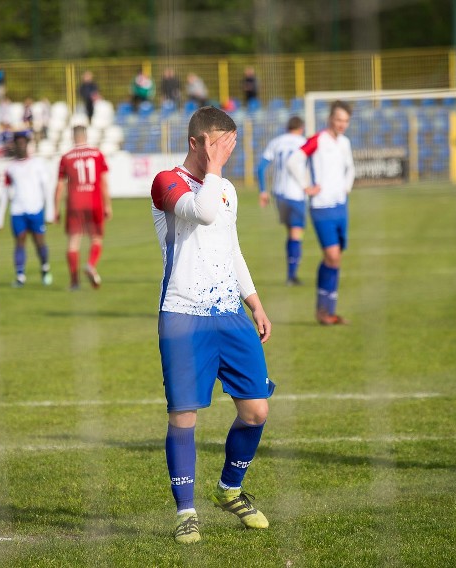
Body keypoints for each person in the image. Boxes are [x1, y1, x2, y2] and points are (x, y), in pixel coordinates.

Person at [150, 106, 274, 544]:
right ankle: (186, 512)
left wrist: (254, 303)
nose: (225, 153)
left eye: (229, 145)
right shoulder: (167, 182)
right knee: (183, 415)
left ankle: (229, 489)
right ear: (196, 142)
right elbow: (201, 214)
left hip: (230, 314)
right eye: (218, 145)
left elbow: (231, 248)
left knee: (256, 410)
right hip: (183, 314)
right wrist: (215, 169)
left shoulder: (225, 189)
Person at [287, 100, 355, 325]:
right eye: (338, 119)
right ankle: (323, 311)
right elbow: (294, 161)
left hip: (340, 206)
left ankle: (327, 312)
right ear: (330, 119)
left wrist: (346, 187)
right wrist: (306, 186)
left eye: (345, 121)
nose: (341, 124)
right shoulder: (317, 140)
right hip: (321, 207)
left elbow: (350, 168)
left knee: (335, 259)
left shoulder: (344, 143)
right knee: (333, 255)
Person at [54, 125, 111, 290]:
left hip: (74, 202)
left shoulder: (66, 157)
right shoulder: (97, 154)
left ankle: (74, 282)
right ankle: (90, 264)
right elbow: (104, 182)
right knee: (96, 238)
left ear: (73, 137)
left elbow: (59, 186)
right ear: (85, 136)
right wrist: (108, 205)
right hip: (93, 200)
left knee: (74, 241)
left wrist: (56, 209)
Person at [0, 133, 53, 288]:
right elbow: (5, 193)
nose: (20, 146)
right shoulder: (10, 168)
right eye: (17, 143)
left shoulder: (37, 164)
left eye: (23, 143)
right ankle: (20, 276)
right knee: (19, 242)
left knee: (39, 242)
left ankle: (45, 267)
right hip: (18, 211)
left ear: (27, 145)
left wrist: (50, 211)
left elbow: (46, 188)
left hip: (35, 209)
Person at [257, 116, 309, 285]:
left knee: (291, 232)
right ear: (301, 128)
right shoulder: (304, 142)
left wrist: (263, 191)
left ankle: (291, 273)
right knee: (296, 233)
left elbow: (261, 167)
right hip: (296, 194)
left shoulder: (276, 142)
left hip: (279, 194)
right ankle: (291, 276)